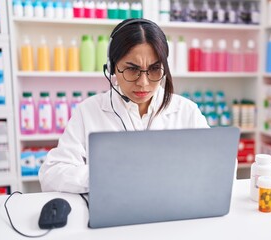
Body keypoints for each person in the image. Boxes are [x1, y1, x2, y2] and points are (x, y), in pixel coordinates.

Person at [39, 18, 209, 193]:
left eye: (154, 69)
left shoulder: (187, 111)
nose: (143, 83)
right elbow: (51, 175)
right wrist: (108, 176)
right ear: (112, 67)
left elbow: (218, 164)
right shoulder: (88, 111)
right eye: (132, 69)